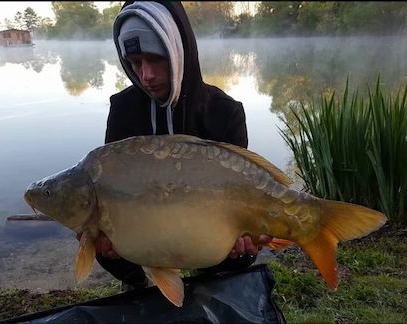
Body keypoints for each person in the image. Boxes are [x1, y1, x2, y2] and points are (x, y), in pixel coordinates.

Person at [93, 1, 272, 290]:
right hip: (144, 235)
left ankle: (208, 280)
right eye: (135, 63)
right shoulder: (123, 109)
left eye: (155, 58)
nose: (146, 75)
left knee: (240, 251)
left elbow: (242, 194)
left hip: (206, 234)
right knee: (99, 238)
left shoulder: (225, 112)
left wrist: (245, 234)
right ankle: (140, 287)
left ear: (178, 52)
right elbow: (110, 186)